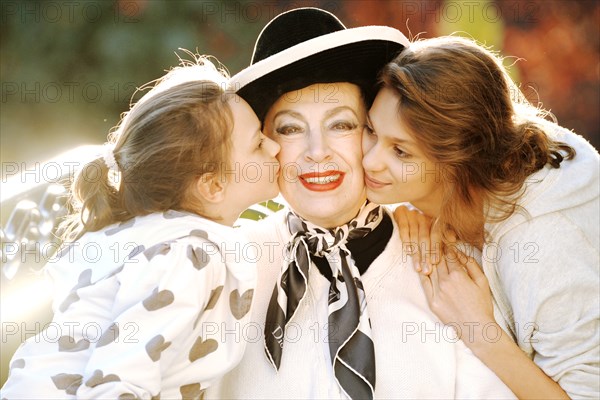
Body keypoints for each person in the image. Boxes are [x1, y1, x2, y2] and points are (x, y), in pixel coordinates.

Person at [207, 8, 516, 399]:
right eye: (290, 128)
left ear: (373, 133)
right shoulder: (225, 266)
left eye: (341, 125)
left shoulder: (450, 268)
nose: (317, 152)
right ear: (266, 144)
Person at [1, 55, 280, 399]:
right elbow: (116, 382)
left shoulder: (146, 235)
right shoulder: (188, 257)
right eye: (258, 143)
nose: (276, 146)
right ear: (212, 185)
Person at [362, 36, 600, 399]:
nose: (369, 161)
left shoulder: (545, 243)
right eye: (371, 131)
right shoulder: (483, 167)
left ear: (459, 158)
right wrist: (410, 210)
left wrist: (479, 331)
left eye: (400, 151)